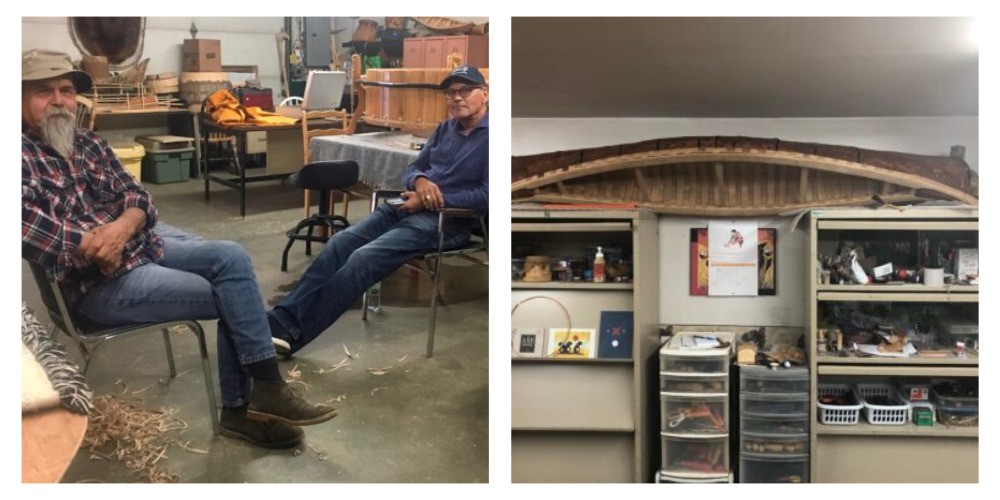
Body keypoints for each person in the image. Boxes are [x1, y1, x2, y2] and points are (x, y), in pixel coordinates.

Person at [21, 49, 336, 449]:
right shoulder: (18, 155)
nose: (59, 100)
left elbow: (139, 196)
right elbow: (19, 224)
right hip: (95, 288)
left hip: (138, 247)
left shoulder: (88, 143)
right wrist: (90, 243)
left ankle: (266, 387)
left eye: (66, 90)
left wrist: (120, 228)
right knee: (232, 295)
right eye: (43, 91)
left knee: (231, 257)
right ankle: (242, 411)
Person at [267, 65, 489, 354]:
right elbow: (413, 168)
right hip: (406, 204)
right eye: (450, 92)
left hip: (448, 221)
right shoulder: (444, 129)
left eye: (465, 90)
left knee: (363, 258)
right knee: (340, 241)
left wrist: (432, 199)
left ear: (484, 93)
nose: (456, 98)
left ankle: (294, 336)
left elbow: (487, 196)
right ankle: (280, 321)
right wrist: (420, 181)